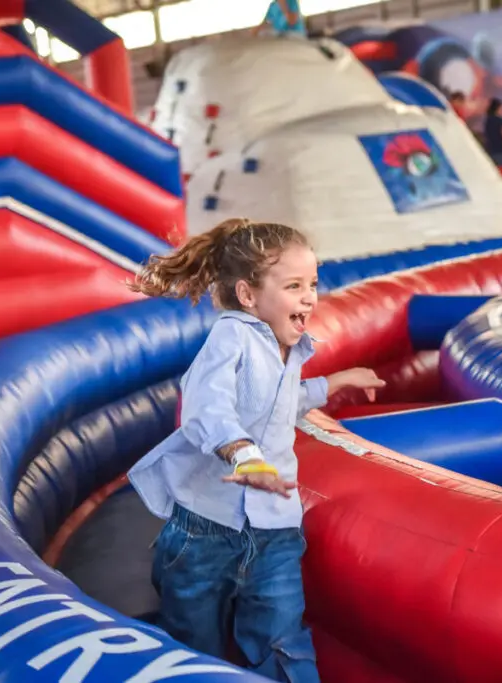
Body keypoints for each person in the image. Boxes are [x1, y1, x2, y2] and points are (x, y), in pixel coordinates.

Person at [126, 218, 385, 682]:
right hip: (206, 529)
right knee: (194, 643)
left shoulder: (291, 347)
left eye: (313, 284)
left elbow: (276, 404)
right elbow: (207, 407)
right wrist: (244, 454)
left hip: (274, 528)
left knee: (283, 638)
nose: (309, 297)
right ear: (249, 296)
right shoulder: (233, 336)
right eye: (293, 286)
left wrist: (332, 384)